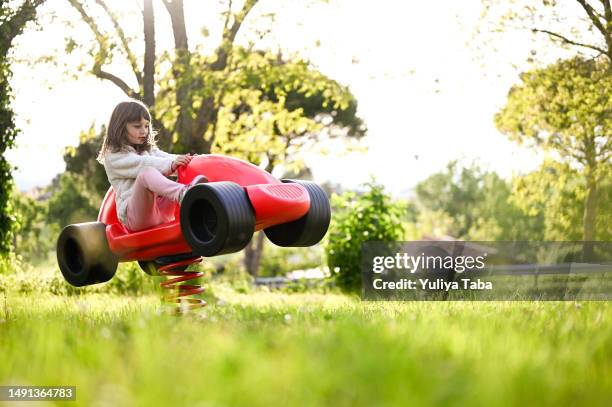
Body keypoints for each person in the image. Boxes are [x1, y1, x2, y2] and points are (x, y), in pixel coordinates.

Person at [97, 100, 206, 232]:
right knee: (146, 173)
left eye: (147, 126)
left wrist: (190, 161)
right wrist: (172, 164)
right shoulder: (114, 157)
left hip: (160, 212)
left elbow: (165, 157)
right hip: (137, 218)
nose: (144, 131)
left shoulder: (146, 149)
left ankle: (196, 193)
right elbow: (141, 164)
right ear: (120, 127)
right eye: (137, 126)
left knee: (184, 172)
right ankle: (184, 194)